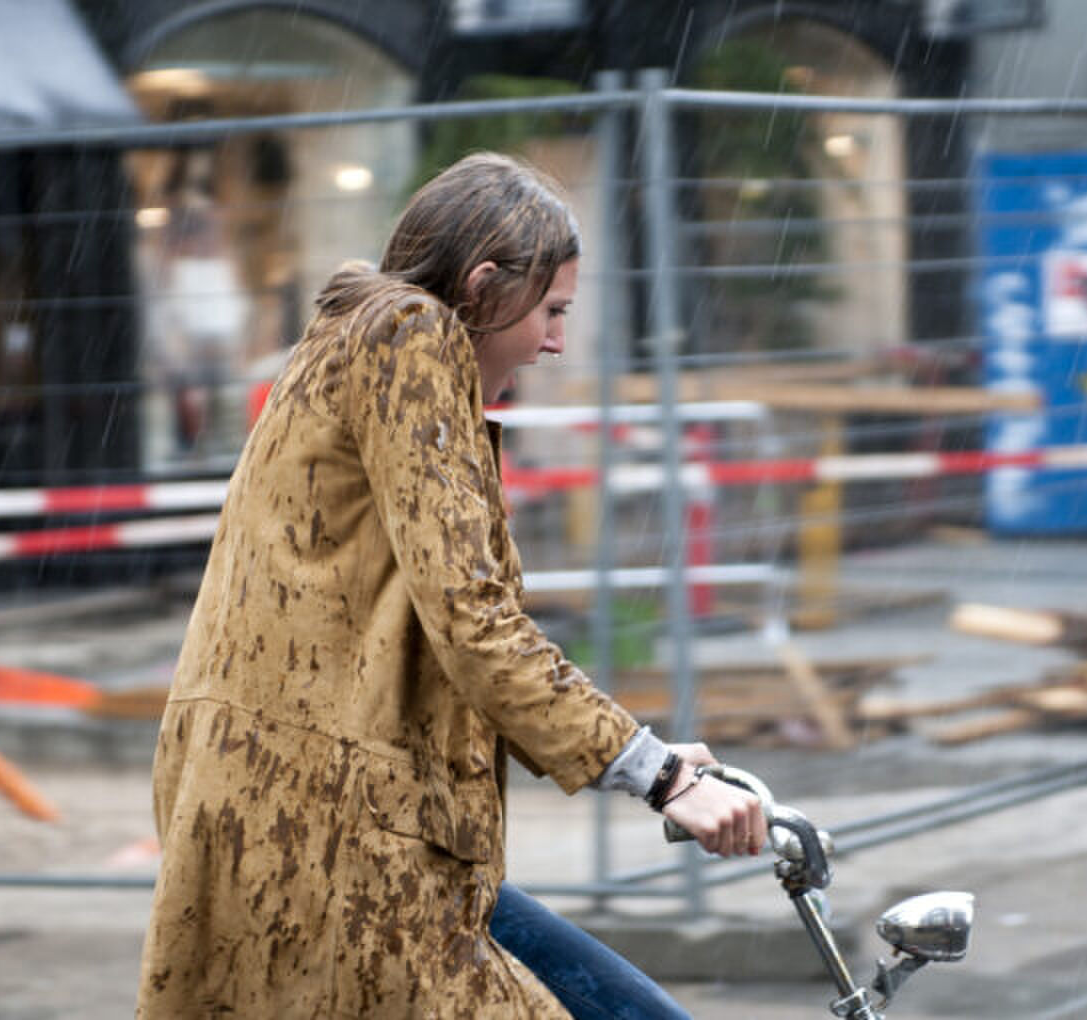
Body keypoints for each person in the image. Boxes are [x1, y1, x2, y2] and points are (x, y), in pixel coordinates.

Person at [135, 152, 764, 1019]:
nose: (555, 341)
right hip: (334, 836)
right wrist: (660, 778)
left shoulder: (359, 346)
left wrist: (646, 759)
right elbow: (474, 620)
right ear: (480, 287)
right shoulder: (410, 336)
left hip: (326, 821)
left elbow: (427, 630)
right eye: (551, 310)